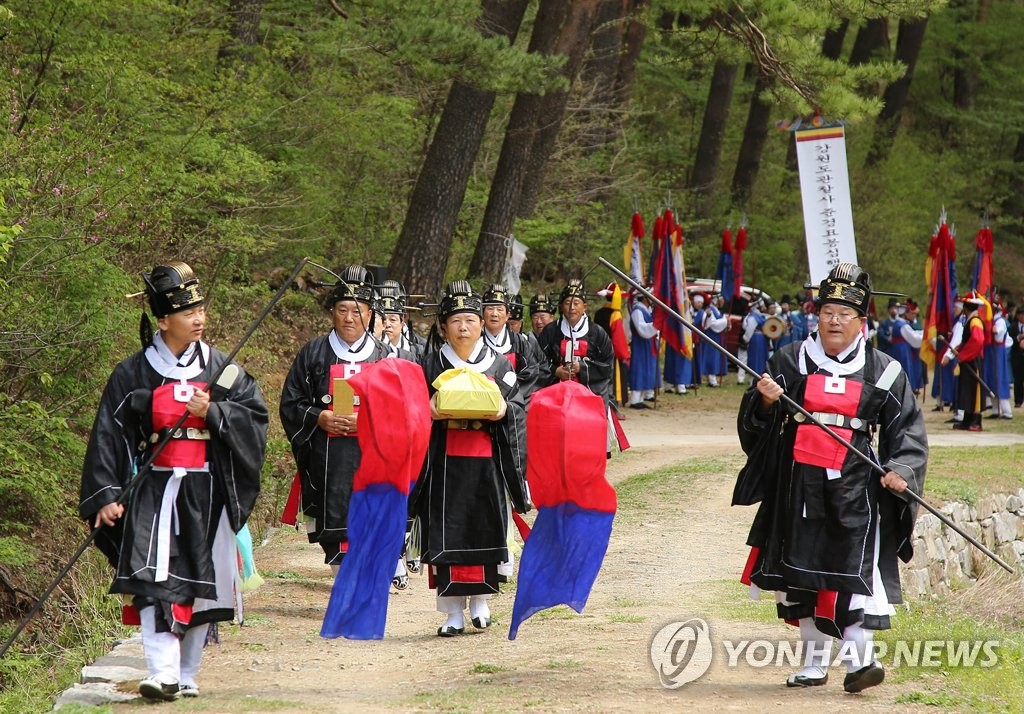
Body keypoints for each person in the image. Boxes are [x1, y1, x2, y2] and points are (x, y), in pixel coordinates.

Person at [734, 262, 927, 693]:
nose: (834, 320)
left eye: (845, 313)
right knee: (801, 569)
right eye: (827, 311)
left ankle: (862, 662)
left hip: (857, 487)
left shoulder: (886, 371)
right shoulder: (787, 360)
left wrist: (901, 470)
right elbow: (754, 423)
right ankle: (813, 664)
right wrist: (765, 404)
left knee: (851, 567)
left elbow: (908, 433)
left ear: (862, 321)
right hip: (798, 482)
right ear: (815, 315)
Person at [80, 262, 268, 701]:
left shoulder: (222, 369)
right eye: (187, 312)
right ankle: (161, 671)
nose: (198, 318)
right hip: (154, 489)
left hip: (209, 488)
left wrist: (215, 413)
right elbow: (110, 433)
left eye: (200, 308)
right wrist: (107, 494)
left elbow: (255, 420)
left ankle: (186, 672)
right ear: (163, 320)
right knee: (153, 578)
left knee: (203, 581)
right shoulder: (134, 373)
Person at [409, 280, 530, 636]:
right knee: (446, 533)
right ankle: (452, 612)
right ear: (444, 327)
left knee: (485, 527)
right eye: (456, 321)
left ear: (482, 324)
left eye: (470, 320)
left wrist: (503, 410)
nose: (464, 327)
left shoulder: (499, 363)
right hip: (443, 463)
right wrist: (428, 410)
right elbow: (412, 411)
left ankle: (481, 602)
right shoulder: (428, 364)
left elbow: (518, 407)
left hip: (486, 460)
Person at [279, 265, 390, 572]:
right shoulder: (313, 353)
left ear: (369, 315)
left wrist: (369, 422)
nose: (349, 317)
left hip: (371, 456)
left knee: (370, 525)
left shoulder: (386, 357)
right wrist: (320, 416)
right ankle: (342, 579)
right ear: (332, 312)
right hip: (327, 458)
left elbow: (403, 410)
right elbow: (291, 402)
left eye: (357, 310)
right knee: (336, 526)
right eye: (342, 309)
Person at [536, 278, 614, 405]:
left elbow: (607, 366)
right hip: (556, 396)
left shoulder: (597, 333)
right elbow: (537, 361)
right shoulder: (550, 331)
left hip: (588, 397)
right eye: (567, 303)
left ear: (585, 307)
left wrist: (583, 368)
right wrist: (556, 371)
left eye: (576, 303)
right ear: (561, 306)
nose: (572, 307)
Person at [482, 283, 539, 402]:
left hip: (513, 401)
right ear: (482, 313)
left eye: (500, 309)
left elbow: (530, 372)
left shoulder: (519, 342)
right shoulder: (475, 341)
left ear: (507, 315)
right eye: (490, 308)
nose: (494, 314)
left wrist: (507, 393)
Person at [944, 292, 987, 431]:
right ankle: (967, 420)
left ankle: (976, 421)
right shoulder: (970, 319)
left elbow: (977, 341)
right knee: (967, 390)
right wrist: (959, 348)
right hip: (968, 359)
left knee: (974, 390)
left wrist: (963, 354)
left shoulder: (975, 321)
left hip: (973, 361)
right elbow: (967, 340)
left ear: (966, 307)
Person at [378, 279, 424, 360]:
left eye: (392, 319)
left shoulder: (418, 351)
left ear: (403, 320)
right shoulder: (369, 350)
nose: (387, 324)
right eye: (383, 319)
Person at [627, 289, 658, 407]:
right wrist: (655, 324)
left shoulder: (645, 310)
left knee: (646, 369)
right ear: (645, 298)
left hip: (647, 343)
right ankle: (635, 399)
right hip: (640, 344)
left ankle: (640, 399)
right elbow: (641, 329)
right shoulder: (637, 311)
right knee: (639, 368)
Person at [985, 300, 1013, 419]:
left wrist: (991, 327)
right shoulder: (991, 321)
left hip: (997, 352)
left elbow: (997, 333)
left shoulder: (1000, 321)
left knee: (999, 380)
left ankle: (1007, 411)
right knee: (991, 380)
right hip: (990, 353)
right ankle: (995, 410)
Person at [699, 293, 729, 387]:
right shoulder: (709, 311)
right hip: (711, 337)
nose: (723, 302)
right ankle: (711, 379)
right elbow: (713, 324)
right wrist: (725, 321)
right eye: (721, 300)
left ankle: (713, 377)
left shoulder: (718, 311)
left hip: (717, 337)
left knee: (715, 357)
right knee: (711, 357)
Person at [739, 297, 769, 382]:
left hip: (760, 339)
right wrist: (746, 339)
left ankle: (757, 378)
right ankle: (753, 380)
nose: (764, 307)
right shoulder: (753, 317)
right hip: (756, 339)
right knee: (755, 359)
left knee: (759, 359)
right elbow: (749, 330)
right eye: (763, 305)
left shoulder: (758, 315)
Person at [1010, 307, 1024, 407]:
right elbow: (1009, 340)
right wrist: (1018, 338)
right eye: (1021, 314)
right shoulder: (1012, 327)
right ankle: (1018, 401)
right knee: (1018, 379)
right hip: (1017, 356)